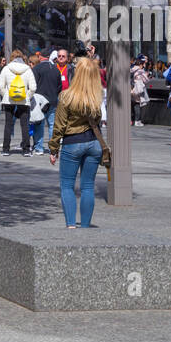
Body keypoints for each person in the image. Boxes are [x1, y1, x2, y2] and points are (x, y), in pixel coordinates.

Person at [48, 57, 108, 228]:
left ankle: (71, 225)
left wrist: (53, 149)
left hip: (72, 143)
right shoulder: (97, 97)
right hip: (94, 143)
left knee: (67, 186)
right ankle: (86, 226)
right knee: (88, 186)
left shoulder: (66, 96)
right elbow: (98, 121)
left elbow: (59, 125)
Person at [0, 50, 36, 155]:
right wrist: (27, 96)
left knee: (8, 124)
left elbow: (0, 86)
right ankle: (26, 150)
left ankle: (5, 149)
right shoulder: (28, 70)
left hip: (9, 100)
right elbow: (33, 87)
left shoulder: (6, 69)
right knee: (24, 125)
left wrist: (6, 95)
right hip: (23, 100)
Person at [31, 48, 62, 152]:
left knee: (39, 125)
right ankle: (53, 148)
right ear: (48, 57)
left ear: (40, 57)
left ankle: (39, 148)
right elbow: (59, 87)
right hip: (53, 100)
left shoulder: (36, 68)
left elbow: (32, 85)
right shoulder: (56, 69)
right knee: (52, 125)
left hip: (40, 102)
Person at [130, 55, 150, 127]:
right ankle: (138, 121)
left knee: (134, 105)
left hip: (132, 89)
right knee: (140, 104)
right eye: (143, 64)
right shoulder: (140, 71)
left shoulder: (131, 69)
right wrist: (147, 75)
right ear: (141, 64)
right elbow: (146, 80)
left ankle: (133, 120)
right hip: (139, 90)